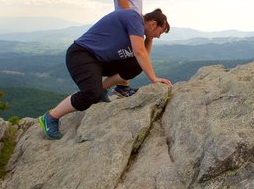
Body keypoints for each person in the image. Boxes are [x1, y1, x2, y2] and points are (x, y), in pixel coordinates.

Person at [38, 8, 172, 140]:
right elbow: (139, 52)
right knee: (91, 94)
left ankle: (102, 89)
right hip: (82, 55)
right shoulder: (134, 18)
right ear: (153, 24)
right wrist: (154, 78)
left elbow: (142, 58)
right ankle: (51, 117)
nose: (158, 36)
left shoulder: (138, 27)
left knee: (136, 65)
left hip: (100, 61)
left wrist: (149, 38)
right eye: (160, 32)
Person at [109, 0, 158, 98]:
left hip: (129, 22)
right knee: (132, 55)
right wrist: (131, 17)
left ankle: (122, 86)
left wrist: (140, 18)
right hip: (127, 23)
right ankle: (121, 87)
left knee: (128, 55)